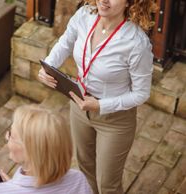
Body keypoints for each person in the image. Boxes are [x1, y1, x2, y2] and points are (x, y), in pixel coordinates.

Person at [38, 0, 157, 193]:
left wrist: (100, 106)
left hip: (114, 120)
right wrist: (48, 66)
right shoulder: (84, 15)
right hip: (78, 106)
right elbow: (65, 42)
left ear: (130, 3)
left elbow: (141, 94)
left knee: (108, 185)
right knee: (85, 170)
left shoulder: (137, 43)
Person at [0, 105, 92, 194]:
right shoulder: (78, 179)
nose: (6, 136)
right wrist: (10, 187)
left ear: (31, 152)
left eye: (11, 135)